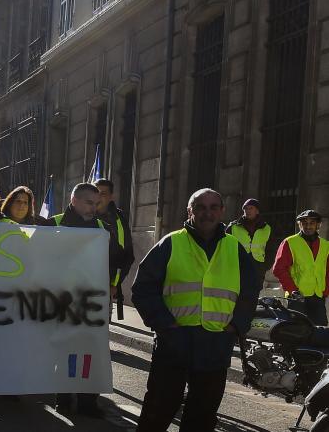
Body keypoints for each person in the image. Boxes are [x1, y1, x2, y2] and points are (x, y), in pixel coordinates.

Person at [133, 188, 261, 431]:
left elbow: (249, 292)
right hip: (174, 341)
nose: (207, 213)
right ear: (190, 211)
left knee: (202, 415)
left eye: (214, 207)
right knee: (157, 411)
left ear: (222, 211)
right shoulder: (171, 243)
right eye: (200, 207)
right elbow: (143, 288)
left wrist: (236, 326)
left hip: (216, 342)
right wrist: (163, 322)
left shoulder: (235, 248)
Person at [50, 183, 118, 417]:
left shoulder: (103, 228)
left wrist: (112, 286)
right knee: (65, 350)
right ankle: (64, 398)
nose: (94, 207)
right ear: (74, 200)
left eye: (96, 203)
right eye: (89, 202)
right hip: (60, 301)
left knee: (90, 350)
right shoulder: (53, 224)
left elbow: (117, 259)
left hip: (91, 302)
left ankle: (88, 400)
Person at [272, 210, 329, 326]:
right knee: (297, 332)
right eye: (304, 223)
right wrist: (292, 289)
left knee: (320, 331)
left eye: (312, 223)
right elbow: (279, 269)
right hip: (297, 297)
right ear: (299, 225)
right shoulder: (290, 242)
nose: (308, 226)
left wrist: (325, 291)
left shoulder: (326, 245)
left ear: (318, 225)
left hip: (318, 296)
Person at [94, 179, 136, 312]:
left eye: (103, 194)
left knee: (99, 331)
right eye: (96, 193)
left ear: (111, 197)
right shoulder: (82, 213)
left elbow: (127, 256)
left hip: (105, 288)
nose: (98, 197)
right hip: (80, 283)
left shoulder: (119, 219)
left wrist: (115, 285)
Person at [227, 198, 272, 283]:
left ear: (257, 211)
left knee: (255, 293)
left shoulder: (266, 228)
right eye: (245, 209)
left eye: (251, 208)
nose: (248, 211)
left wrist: (265, 266)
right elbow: (225, 247)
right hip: (238, 266)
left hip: (258, 267)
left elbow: (271, 248)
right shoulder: (233, 226)